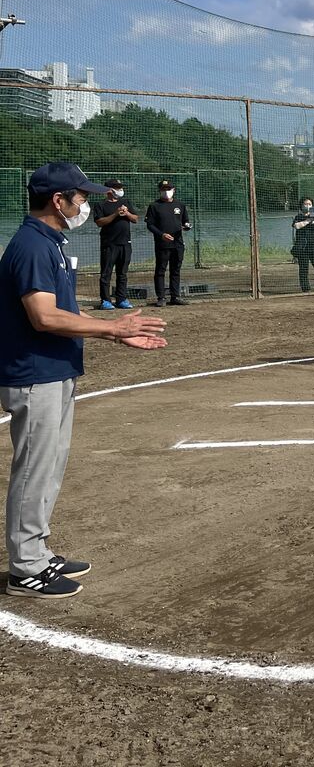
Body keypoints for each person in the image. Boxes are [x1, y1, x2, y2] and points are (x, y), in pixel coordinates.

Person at [2, 163, 167, 598]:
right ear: (58, 201)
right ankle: (25, 568)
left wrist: (114, 333)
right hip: (35, 373)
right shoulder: (32, 245)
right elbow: (44, 316)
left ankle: (37, 551)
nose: (84, 205)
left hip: (55, 369)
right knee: (34, 470)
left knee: (50, 467)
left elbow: (66, 311)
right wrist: (112, 327)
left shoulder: (50, 243)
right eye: (80, 197)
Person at [94, 177, 139, 310]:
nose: (120, 190)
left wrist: (127, 213)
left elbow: (135, 219)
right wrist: (115, 214)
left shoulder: (125, 202)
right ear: (109, 190)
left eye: (121, 188)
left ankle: (121, 299)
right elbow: (99, 222)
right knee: (106, 273)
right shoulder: (101, 205)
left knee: (122, 273)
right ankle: (105, 300)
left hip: (125, 243)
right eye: (117, 188)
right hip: (109, 244)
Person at [145, 179, 191, 306]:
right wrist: (161, 235)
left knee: (175, 270)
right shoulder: (154, 206)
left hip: (178, 243)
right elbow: (150, 225)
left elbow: (185, 221)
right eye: (163, 189)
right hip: (162, 244)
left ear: (173, 190)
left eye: (168, 189)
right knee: (160, 270)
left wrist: (187, 226)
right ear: (160, 191)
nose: (166, 192)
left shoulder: (180, 205)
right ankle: (161, 297)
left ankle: (175, 296)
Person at [290, 198, 314, 293]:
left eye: (310, 204)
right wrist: (308, 220)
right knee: (303, 269)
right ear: (301, 206)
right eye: (305, 204)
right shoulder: (298, 217)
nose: (308, 206)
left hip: (313, 246)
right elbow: (296, 226)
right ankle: (305, 289)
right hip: (302, 247)